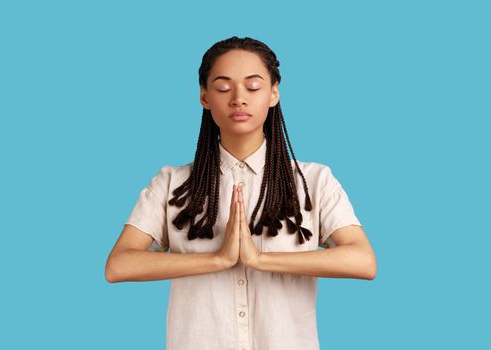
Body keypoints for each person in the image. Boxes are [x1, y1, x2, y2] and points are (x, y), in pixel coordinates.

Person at [105, 36, 377, 350]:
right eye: (223, 88)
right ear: (204, 97)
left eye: (253, 86)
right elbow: (119, 265)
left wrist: (260, 259)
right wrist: (217, 259)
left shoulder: (313, 180)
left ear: (274, 92)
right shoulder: (171, 183)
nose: (238, 99)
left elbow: (363, 261)